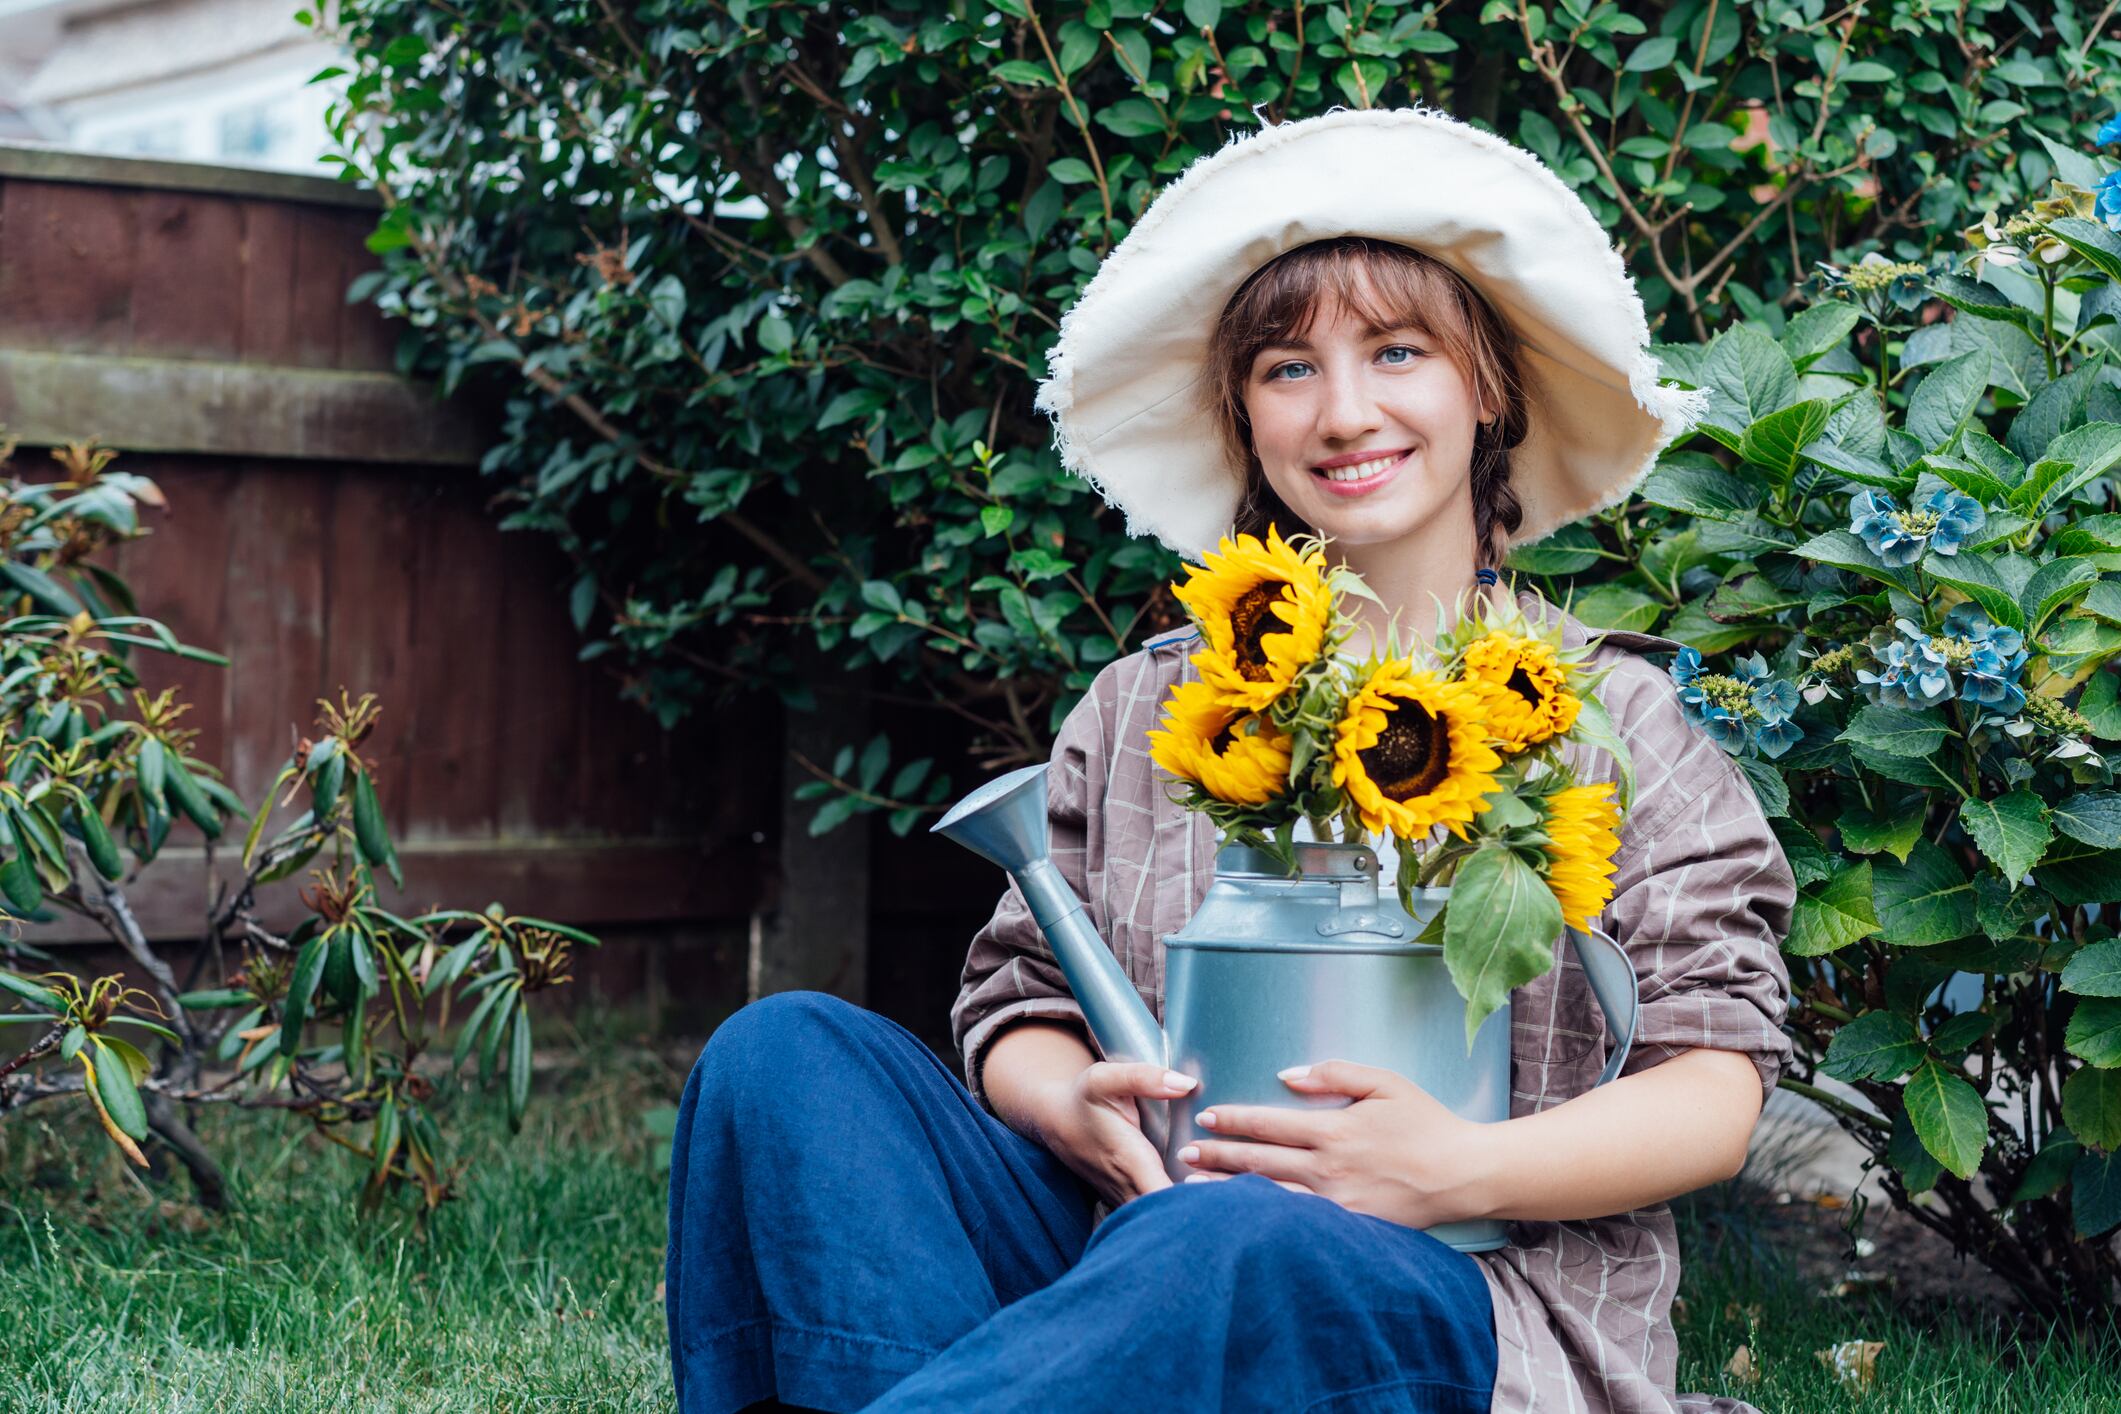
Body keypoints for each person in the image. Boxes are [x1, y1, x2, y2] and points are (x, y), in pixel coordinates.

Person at [665, 107, 1794, 1414]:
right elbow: (1013, 1004)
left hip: (1461, 1309)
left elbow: (1711, 1087)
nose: (1345, 410)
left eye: (1396, 351)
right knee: (782, 1054)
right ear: (1241, 413)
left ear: (1484, 387)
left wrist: (1451, 1169)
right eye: (1286, 368)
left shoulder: (1614, 716)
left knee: (1240, 1231)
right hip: (1123, 1265)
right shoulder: (1150, 706)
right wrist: (1066, 1100)